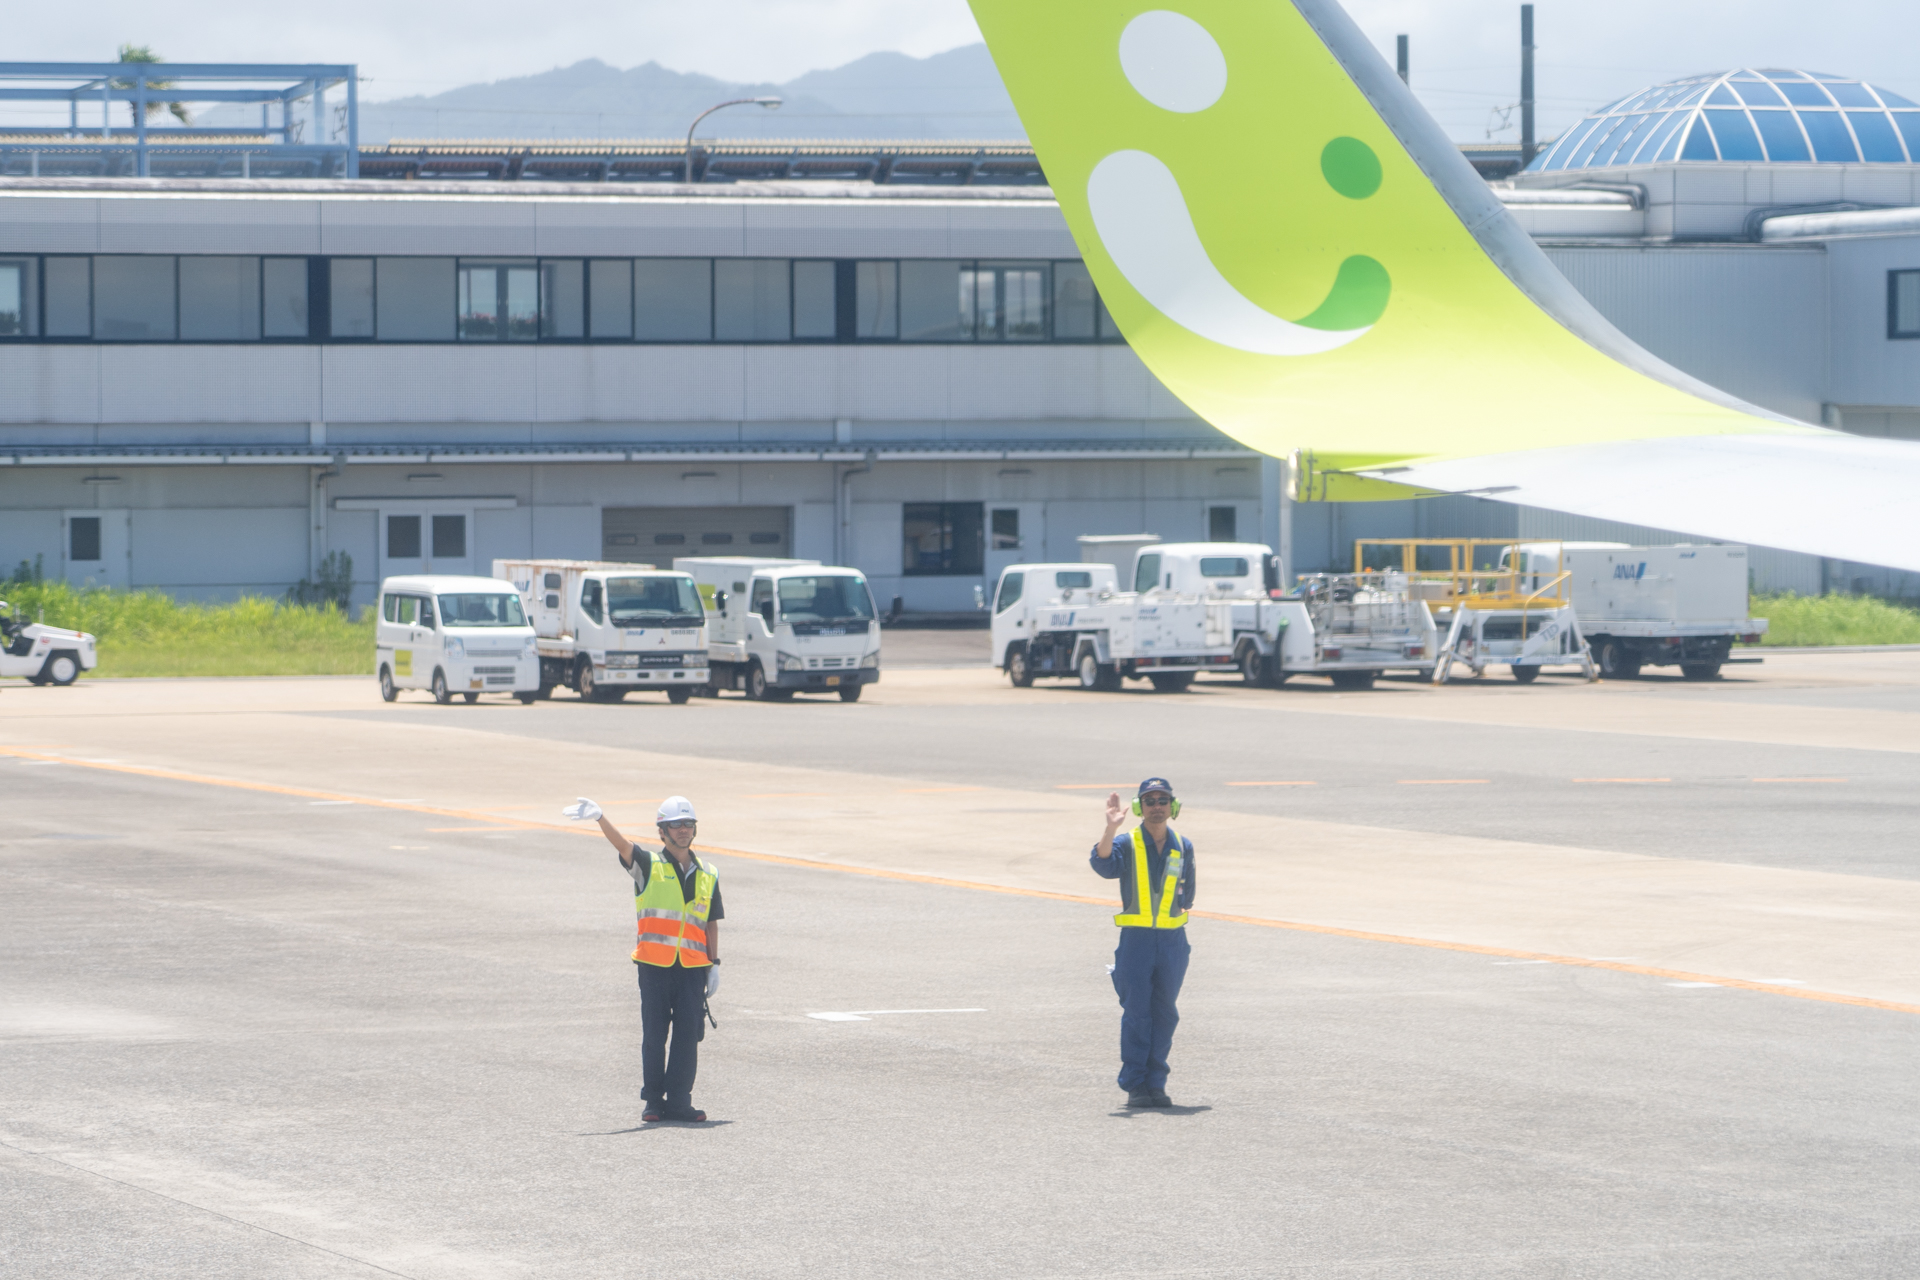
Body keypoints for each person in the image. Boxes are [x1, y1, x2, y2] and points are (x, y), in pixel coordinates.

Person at [565, 793, 723, 1123]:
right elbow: (623, 846)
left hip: (693, 968)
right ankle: (653, 1100)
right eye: (675, 825)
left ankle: (680, 1101)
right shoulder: (649, 865)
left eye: (688, 824)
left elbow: (710, 921)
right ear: (661, 832)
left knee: (686, 1037)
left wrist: (714, 965)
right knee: (654, 1035)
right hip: (655, 965)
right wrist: (600, 819)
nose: (683, 830)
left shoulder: (708, 873)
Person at [1090, 777, 1196, 1109]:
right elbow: (1102, 864)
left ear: (1172, 806)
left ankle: (1156, 1084)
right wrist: (1109, 829)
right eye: (1149, 801)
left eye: (1162, 800)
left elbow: (1187, 894)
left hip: (1173, 944)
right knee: (1138, 1013)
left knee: (1165, 1015)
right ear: (1139, 807)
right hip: (1136, 942)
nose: (1156, 807)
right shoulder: (1127, 842)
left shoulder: (1183, 845)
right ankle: (1135, 1085)